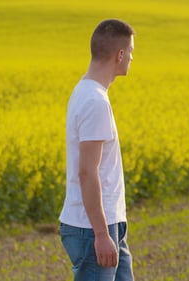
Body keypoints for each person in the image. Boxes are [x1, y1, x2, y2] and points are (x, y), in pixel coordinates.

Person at [59, 19, 135, 281]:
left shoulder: (88, 92)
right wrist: (101, 235)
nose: (132, 59)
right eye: (131, 52)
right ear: (120, 55)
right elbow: (87, 173)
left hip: (108, 223)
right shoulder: (94, 101)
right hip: (92, 229)